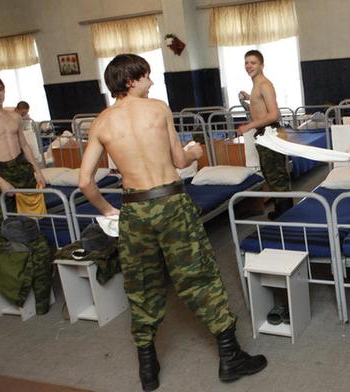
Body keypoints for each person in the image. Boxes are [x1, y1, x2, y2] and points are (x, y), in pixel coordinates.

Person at [78, 54, 267, 391]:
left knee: (141, 285)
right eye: (147, 76)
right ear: (132, 80)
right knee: (199, 277)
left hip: (134, 209)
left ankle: (147, 371)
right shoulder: (157, 109)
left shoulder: (102, 122)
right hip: (170, 202)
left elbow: (85, 183)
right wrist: (194, 153)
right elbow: (179, 160)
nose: (152, 83)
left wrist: (109, 211)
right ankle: (230, 356)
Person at [0, 74, 46, 231]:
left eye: (0, 89)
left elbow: (25, 145)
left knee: (33, 216)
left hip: (21, 167)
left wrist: (38, 171)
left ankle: (36, 249)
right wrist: (0, 181)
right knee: (8, 220)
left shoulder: (15, 116)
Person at [237, 50, 293, 220]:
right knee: (271, 174)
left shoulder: (264, 84)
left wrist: (249, 126)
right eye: (246, 62)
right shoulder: (256, 85)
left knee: (277, 176)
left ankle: (286, 214)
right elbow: (260, 104)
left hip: (271, 133)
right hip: (265, 134)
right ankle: (281, 210)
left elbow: (274, 114)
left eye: (253, 63)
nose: (249, 66)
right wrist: (249, 97)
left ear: (261, 65)